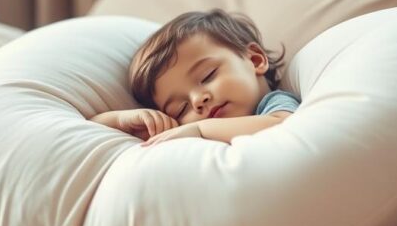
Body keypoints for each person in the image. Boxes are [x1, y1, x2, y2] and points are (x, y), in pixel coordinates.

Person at [91, 9, 300, 146]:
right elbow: (91, 128)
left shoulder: (274, 104)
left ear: (255, 60)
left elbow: (284, 125)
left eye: (208, 76)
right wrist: (123, 120)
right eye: (181, 109)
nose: (198, 100)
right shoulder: (181, 130)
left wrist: (199, 129)